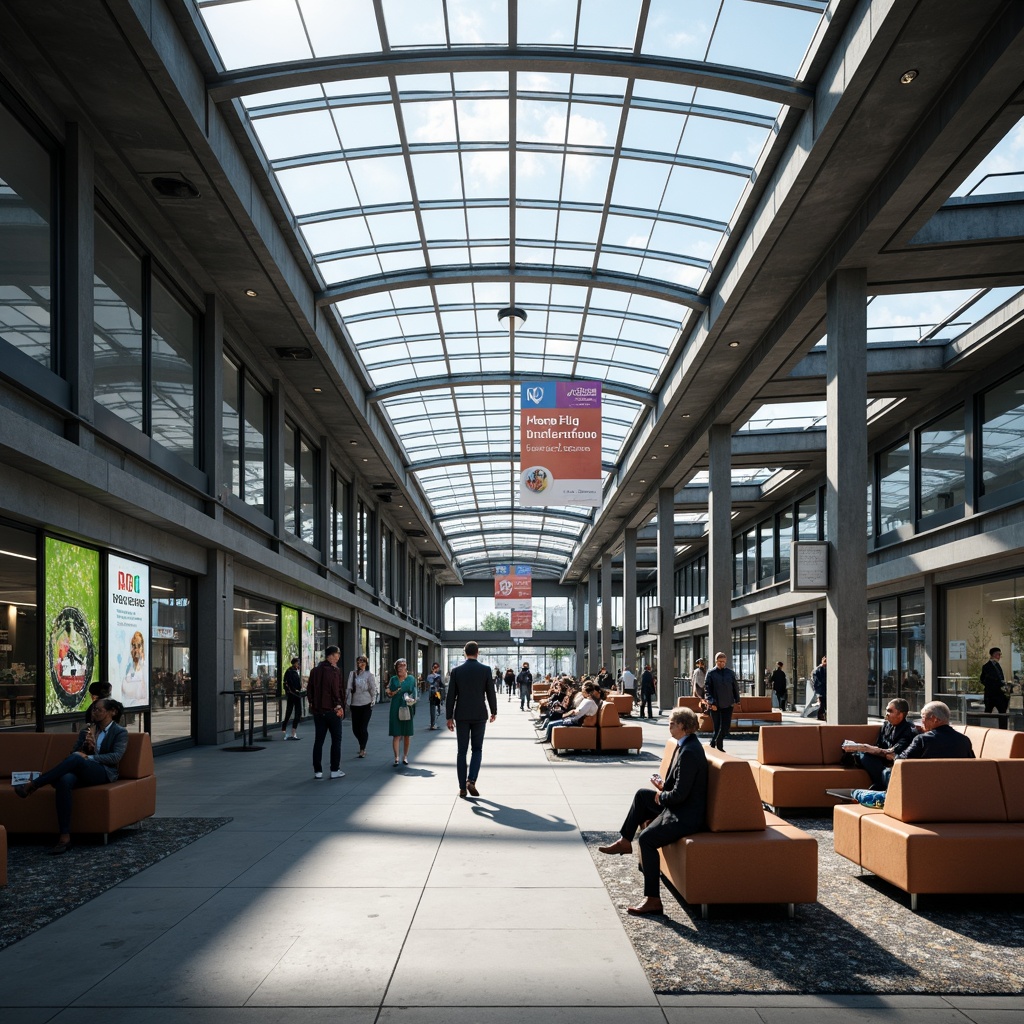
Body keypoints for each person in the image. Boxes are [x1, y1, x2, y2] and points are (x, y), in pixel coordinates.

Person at [598, 706, 708, 916]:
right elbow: (678, 784)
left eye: (672, 723)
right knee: (642, 796)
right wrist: (662, 787)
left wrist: (662, 796)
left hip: (685, 815)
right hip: (678, 805)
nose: (669, 726)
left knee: (647, 839)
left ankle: (653, 900)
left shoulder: (690, 752)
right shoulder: (684, 745)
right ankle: (624, 841)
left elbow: (680, 795)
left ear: (682, 726)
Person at [14, 698, 127, 854]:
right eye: (93, 709)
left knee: (75, 759)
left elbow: (115, 757)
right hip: (84, 770)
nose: (94, 712)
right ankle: (65, 837)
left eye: (98, 710)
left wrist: (90, 757)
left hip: (104, 772)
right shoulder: (87, 730)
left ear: (111, 712)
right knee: (64, 780)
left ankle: (33, 785)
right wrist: (87, 747)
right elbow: (73, 753)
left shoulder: (120, 732)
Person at [445, 640, 498, 798]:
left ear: (464, 653)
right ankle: (471, 781)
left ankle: (462, 788)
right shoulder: (485, 670)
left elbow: (451, 696)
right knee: (477, 749)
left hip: (461, 715)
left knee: (461, 751)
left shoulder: (456, 671)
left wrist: (449, 717)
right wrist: (494, 711)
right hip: (479, 715)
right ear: (478, 653)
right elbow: (490, 693)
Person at [842, 698, 915, 788]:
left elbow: (891, 753)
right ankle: (880, 782)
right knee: (863, 755)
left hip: (895, 761)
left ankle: (881, 784)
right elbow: (879, 745)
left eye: (890, 711)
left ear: (900, 715)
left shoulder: (909, 731)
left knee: (864, 752)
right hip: (881, 759)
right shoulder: (886, 726)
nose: (886, 714)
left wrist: (863, 747)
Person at [307, 645, 345, 779]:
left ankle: (318, 771)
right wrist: (339, 705)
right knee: (336, 740)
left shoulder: (315, 671)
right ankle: (335, 769)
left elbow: (309, 691)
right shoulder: (334, 671)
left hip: (318, 712)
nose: (338, 658)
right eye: (336, 655)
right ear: (330, 656)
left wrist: (314, 705)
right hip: (332, 711)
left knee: (319, 741)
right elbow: (336, 690)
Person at [704, 651, 740, 752]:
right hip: (715, 704)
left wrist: (737, 700)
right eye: (720, 661)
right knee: (717, 727)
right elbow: (707, 689)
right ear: (716, 661)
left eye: (723, 661)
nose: (722, 663)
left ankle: (713, 742)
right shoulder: (711, 673)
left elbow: (735, 687)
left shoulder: (730, 673)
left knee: (725, 727)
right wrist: (711, 702)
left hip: (728, 704)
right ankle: (719, 747)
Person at [387, 657, 417, 765]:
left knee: (406, 734)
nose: (401, 668)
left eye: (403, 666)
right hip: (395, 706)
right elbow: (388, 691)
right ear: (396, 668)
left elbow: (414, 691)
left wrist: (412, 699)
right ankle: (396, 757)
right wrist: (390, 692)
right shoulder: (393, 679)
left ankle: (405, 756)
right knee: (396, 734)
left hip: (407, 706)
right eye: (399, 666)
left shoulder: (411, 679)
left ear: (406, 667)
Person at [346, 654, 377, 757]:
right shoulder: (353, 674)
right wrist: (347, 701)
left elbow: (373, 689)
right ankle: (361, 743)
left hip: (366, 703)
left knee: (363, 727)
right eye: (360, 661)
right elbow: (349, 688)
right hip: (355, 704)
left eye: (363, 661)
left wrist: (373, 700)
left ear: (366, 663)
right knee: (355, 729)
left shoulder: (369, 675)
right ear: (357, 663)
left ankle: (362, 748)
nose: (361, 663)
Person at [981, 647, 1009, 728]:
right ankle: (985, 728)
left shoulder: (998, 665)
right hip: (991, 694)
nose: (999, 656)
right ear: (992, 655)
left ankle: (1003, 729)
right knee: (988, 711)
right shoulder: (986, 666)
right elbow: (983, 679)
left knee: (1002, 712)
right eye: (997, 654)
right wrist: (994, 684)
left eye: (1000, 654)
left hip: (999, 694)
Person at [280, 656, 303, 741]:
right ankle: (290, 730)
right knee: (295, 712)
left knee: (290, 711)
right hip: (294, 694)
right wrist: (294, 691)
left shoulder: (293, 671)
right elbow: (288, 684)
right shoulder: (291, 672)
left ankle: (286, 728)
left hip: (294, 694)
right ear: (294, 663)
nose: (299, 665)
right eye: (298, 663)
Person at [121, 630, 147, 704]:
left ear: (142, 647)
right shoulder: (128, 669)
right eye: (133, 646)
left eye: (139, 646)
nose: (136, 650)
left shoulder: (144, 669)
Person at [427, 661, 445, 730]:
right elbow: (431, 682)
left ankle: (434, 723)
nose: (436, 668)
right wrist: (434, 674)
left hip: (437, 693)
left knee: (437, 707)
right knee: (433, 708)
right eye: (434, 667)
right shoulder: (430, 676)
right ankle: (433, 724)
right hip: (432, 693)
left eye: (437, 667)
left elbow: (440, 684)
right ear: (432, 668)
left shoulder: (438, 675)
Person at [812, 655, 827, 721]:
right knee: (822, 703)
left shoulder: (820, 668)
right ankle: (820, 715)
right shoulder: (819, 669)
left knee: (823, 703)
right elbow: (820, 680)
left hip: (820, 689)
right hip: (821, 689)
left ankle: (822, 715)